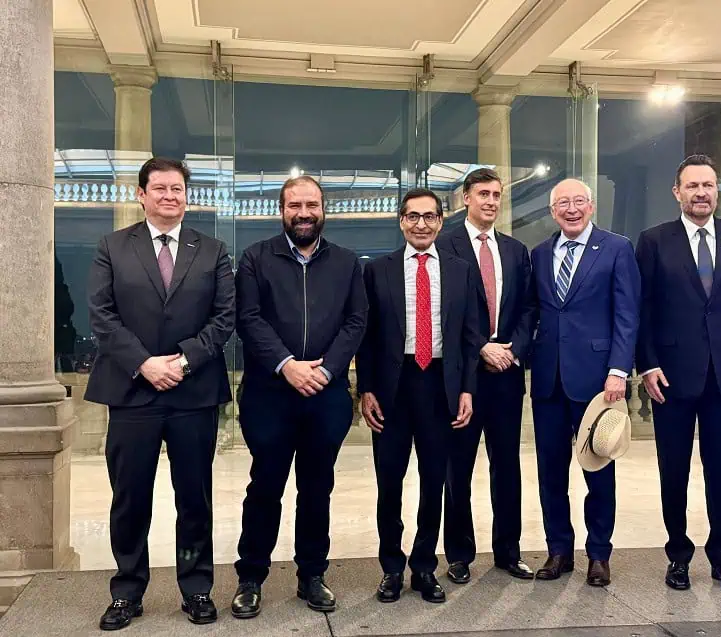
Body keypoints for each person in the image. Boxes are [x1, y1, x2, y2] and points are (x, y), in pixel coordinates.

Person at [86, 157, 235, 630]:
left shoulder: (212, 249)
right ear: (141, 194)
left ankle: (196, 589)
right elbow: (101, 314)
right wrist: (145, 363)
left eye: (177, 188)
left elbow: (224, 318)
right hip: (132, 393)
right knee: (131, 498)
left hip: (193, 393)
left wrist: (184, 360)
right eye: (160, 188)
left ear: (186, 196)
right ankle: (127, 591)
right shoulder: (113, 246)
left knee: (195, 498)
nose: (170, 195)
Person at [231, 175, 368, 618]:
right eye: (295, 205)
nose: (304, 213)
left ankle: (312, 575)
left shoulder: (347, 263)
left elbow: (356, 321)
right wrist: (287, 364)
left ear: (323, 209)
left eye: (311, 204)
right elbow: (248, 319)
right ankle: (250, 576)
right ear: (282, 210)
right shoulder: (255, 258)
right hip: (269, 393)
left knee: (317, 487)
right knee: (265, 486)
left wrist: (327, 370)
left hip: (325, 394)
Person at [635, 154, 721, 593]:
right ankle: (678, 555)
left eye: (708, 185)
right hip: (671, 377)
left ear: (718, 190)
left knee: (720, 470)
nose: (701, 193)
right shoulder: (654, 241)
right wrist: (648, 364)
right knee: (673, 471)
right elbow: (644, 310)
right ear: (677, 192)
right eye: (692, 186)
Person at [356, 188, 478, 603]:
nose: (421, 224)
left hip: (440, 384)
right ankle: (391, 567)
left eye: (429, 216)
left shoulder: (462, 270)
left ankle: (424, 566)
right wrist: (366, 388)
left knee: (434, 481)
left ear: (442, 221)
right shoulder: (378, 271)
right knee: (389, 482)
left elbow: (469, 336)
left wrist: (466, 389)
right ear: (401, 221)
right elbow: (367, 338)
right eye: (412, 217)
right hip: (393, 386)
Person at [529, 178, 640, 587]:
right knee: (550, 472)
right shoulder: (540, 254)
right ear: (552, 211)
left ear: (591, 206)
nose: (570, 209)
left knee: (598, 468)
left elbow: (627, 315)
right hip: (548, 381)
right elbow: (534, 312)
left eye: (578, 202)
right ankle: (559, 549)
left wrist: (618, 370)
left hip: (597, 380)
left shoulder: (616, 248)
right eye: (562, 203)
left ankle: (598, 554)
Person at [435, 168, 536, 583]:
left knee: (506, 464)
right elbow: (445, 311)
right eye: (483, 194)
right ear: (466, 199)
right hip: (464, 374)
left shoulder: (515, 250)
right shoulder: (445, 245)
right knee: (457, 467)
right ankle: (459, 554)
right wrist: (481, 345)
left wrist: (514, 348)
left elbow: (530, 308)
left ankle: (508, 551)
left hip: (507, 373)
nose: (491, 201)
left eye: (496, 194)